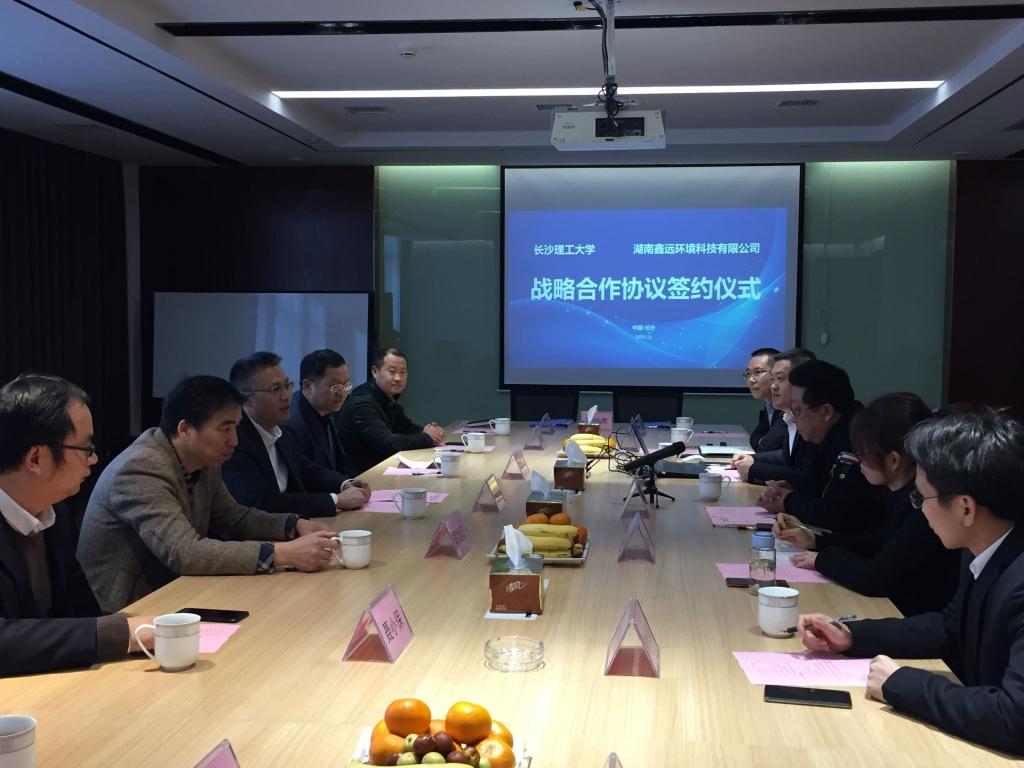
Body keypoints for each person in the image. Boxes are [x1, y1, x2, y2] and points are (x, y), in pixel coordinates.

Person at [797, 407, 1024, 756]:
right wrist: (852, 635)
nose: (918, 509)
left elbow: (1014, 718)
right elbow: (948, 627)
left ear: (965, 508)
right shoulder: (985, 547)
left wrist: (901, 682)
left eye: (921, 498)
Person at [78, 375, 340, 612]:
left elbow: (233, 518)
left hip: (179, 591)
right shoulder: (141, 468)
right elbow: (185, 553)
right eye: (224, 428)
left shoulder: (202, 460)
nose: (234, 440)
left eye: (235, 427)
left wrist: (294, 525)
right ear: (185, 429)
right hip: (129, 610)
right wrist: (284, 553)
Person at [0, 374, 153, 676]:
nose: (93, 460)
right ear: (36, 458)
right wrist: (122, 633)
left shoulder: (52, 509)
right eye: (85, 449)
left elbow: (80, 609)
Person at [773, 392, 960, 616]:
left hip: (910, 614)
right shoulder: (896, 492)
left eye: (862, 453)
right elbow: (879, 540)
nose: (858, 461)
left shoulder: (924, 505)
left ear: (893, 459)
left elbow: (875, 577)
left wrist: (823, 558)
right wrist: (815, 539)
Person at [221, 352, 369, 517]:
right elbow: (262, 503)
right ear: (246, 399)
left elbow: (305, 468)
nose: (286, 396)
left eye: (287, 385)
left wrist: (344, 484)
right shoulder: (235, 441)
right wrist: (336, 500)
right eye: (275, 389)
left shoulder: (278, 428)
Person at [757, 360, 884, 532]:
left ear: (826, 411)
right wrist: (793, 490)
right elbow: (814, 483)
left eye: (797, 410)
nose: (794, 418)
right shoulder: (824, 434)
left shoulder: (856, 440)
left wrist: (788, 501)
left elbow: (839, 514)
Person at [337, 347, 445, 474]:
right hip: (361, 475)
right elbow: (388, 443)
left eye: (403, 372)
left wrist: (429, 431)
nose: (398, 378)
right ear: (375, 371)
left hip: (382, 467)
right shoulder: (362, 402)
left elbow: (406, 427)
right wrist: (427, 437)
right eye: (392, 371)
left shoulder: (387, 397)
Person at [732, 348, 817, 484]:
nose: (773, 386)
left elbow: (806, 476)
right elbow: (787, 455)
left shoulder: (812, 418)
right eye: (773, 379)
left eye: (780, 378)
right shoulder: (789, 416)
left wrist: (754, 470)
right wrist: (754, 459)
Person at [285, 349, 351, 475]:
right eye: (335, 386)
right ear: (308, 386)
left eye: (346, 384)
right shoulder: (293, 424)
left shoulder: (325, 406)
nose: (342, 393)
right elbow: (306, 476)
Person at [744, 347, 784, 451]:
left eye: (757, 372)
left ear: (775, 373)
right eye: (748, 373)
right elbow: (754, 439)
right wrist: (763, 441)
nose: (751, 380)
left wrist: (763, 441)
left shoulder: (786, 405)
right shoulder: (768, 403)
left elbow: (767, 445)